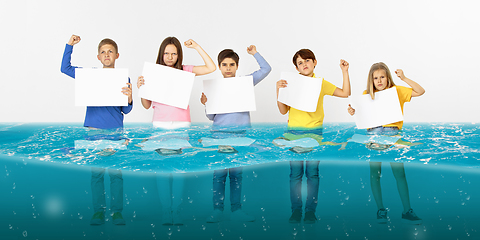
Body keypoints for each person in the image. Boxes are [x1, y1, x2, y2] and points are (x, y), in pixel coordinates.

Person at [137, 36, 216, 225]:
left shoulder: (185, 71)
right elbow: (147, 105)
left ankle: (177, 211)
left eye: (174, 53)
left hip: (181, 125)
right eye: (167, 53)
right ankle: (166, 211)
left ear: (179, 55)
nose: (170, 56)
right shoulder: (153, 72)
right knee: (164, 170)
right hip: (160, 126)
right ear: (161, 54)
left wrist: (196, 46)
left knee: (179, 169)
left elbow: (211, 67)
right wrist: (142, 88)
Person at [60, 35, 133, 225]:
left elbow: (125, 110)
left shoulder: (124, 78)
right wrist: (69, 46)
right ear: (98, 57)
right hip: (93, 132)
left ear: (117, 55)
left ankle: (117, 212)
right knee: (97, 174)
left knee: (116, 175)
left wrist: (130, 98)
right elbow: (65, 69)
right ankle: (98, 212)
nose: (106, 54)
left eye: (110, 51)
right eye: (103, 52)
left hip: (116, 133)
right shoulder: (89, 76)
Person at [276, 49, 350, 224]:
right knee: (295, 175)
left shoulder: (320, 83)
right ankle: (295, 211)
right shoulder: (290, 83)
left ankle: (310, 212)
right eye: (300, 63)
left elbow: (345, 93)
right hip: (292, 135)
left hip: (315, 136)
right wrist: (278, 90)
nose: (304, 65)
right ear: (296, 67)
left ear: (315, 62)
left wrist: (345, 72)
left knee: (312, 174)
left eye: (307, 60)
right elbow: (282, 110)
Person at [347, 62, 425, 225]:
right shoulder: (366, 95)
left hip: (393, 137)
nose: (379, 80)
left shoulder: (396, 91)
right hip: (373, 137)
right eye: (375, 78)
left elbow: (420, 91)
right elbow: (360, 115)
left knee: (400, 174)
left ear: (388, 78)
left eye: (382, 77)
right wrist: (353, 111)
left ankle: (407, 210)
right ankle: (381, 210)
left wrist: (403, 78)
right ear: (371, 80)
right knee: (375, 175)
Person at [200, 46, 271, 223]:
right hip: (220, 135)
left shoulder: (245, 82)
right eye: (224, 65)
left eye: (232, 64)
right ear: (219, 66)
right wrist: (206, 104)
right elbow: (211, 117)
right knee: (219, 174)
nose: (228, 68)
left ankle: (236, 210)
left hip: (241, 135)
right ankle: (217, 210)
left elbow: (266, 69)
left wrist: (255, 53)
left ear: (237, 66)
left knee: (236, 174)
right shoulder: (214, 87)